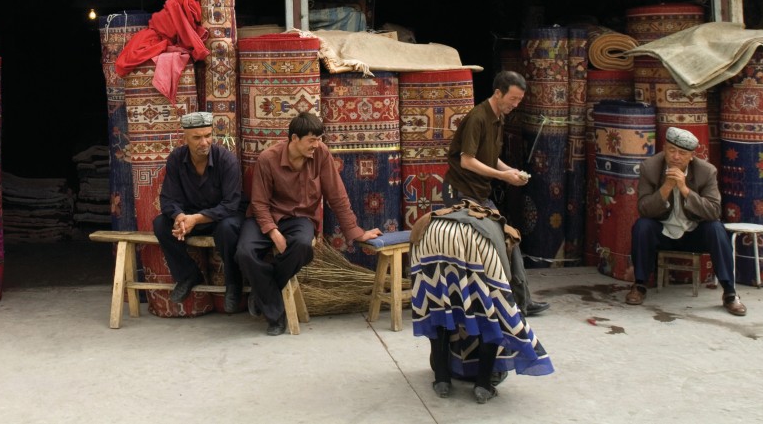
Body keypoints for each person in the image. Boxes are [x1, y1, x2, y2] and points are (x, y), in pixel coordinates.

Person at [237, 111, 382, 336]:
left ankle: (265, 292)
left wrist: (355, 232)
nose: (316, 144)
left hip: (299, 218)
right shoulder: (268, 158)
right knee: (245, 252)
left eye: (319, 139)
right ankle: (275, 314)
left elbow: (337, 195)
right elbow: (259, 203)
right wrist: (273, 233)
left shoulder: (321, 154)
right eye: (311, 140)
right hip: (266, 216)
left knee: (304, 246)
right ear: (294, 139)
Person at [411, 201, 554, 404]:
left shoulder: (448, 215)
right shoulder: (506, 236)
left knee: (439, 304)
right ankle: (483, 384)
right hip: (475, 241)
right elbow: (506, 295)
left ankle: (442, 379)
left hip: (432, 233)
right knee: (492, 312)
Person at [442, 70, 549, 317]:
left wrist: (510, 170)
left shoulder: (499, 117)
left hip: (480, 193)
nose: (516, 104)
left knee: (511, 236)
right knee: (497, 241)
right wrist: (502, 176)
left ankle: (523, 301)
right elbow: (467, 161)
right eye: (513, 99)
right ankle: (502, 304)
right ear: (498, 93)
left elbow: (490, 156)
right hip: (460, 193)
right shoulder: (477, 117)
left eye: (519, 100)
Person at [626, 127, 747, 316]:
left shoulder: (706, 172)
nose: (675, 157)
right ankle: (639, 285)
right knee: (642, 226)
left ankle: (730, 293)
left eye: (682, 153)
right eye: (671, 150)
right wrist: (666, 188)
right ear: (664, 148)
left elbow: (714, 211)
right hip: (664, 232)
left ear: (691, 156)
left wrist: (685, 190)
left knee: (716, 228)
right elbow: (643, 209)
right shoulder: (650, 167)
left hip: (694, 232)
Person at [152, 111, 245, 313]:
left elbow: (231, 204)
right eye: (197, 137)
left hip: (222, 217)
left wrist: (196, 219)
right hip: (191, 216)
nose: (204, 142)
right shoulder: (176, 159)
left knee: (228, 228)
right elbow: (168, 199)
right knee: (160, 224)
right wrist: (179, 217)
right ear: (184, 138)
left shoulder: (226, 160)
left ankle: (233, 284)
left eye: (208, 135)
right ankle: (188, 275)